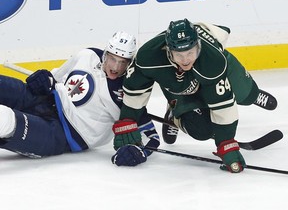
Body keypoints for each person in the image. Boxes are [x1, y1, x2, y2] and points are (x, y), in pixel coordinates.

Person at [111, 19, 277, 173]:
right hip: (179, 83)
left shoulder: (213, 61)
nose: (185, 60)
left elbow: (223, 105)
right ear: (168, 50)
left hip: (209, 69)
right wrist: (128, 119)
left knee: (244, 94)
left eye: (190, 53)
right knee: (202, 130)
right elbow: (135, 89)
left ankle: (252, 96)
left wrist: (226, 141)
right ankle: (174, 113)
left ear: (198, 46)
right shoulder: (149, 56)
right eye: (179, 55)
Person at [0, 31, 159, 166]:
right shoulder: (87, 55)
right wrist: (45, 78)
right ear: (105, 53)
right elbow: (56, 77)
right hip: (43, 98)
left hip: (60, 134)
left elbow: (151, 136)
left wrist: (140, 151)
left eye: (123, 62)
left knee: (5, 119)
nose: (116, 67)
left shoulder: (126, 94)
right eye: (113, 59)